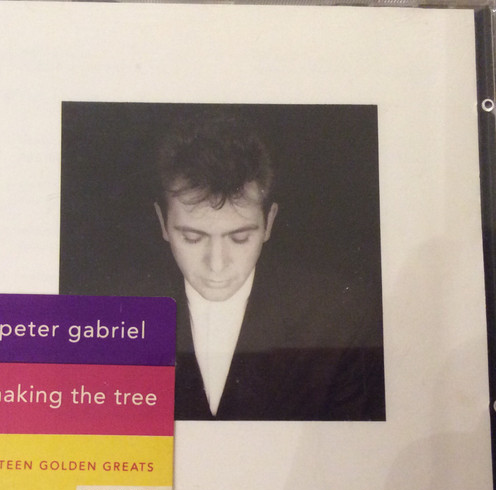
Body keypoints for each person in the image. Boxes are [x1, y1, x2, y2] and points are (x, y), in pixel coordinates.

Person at [154, 110, 385, 421]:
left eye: (239, 238)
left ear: (269, 222)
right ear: (163, 223)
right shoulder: (113, 316)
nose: (217, 265)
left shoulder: (339, 320)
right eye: (193, 238)